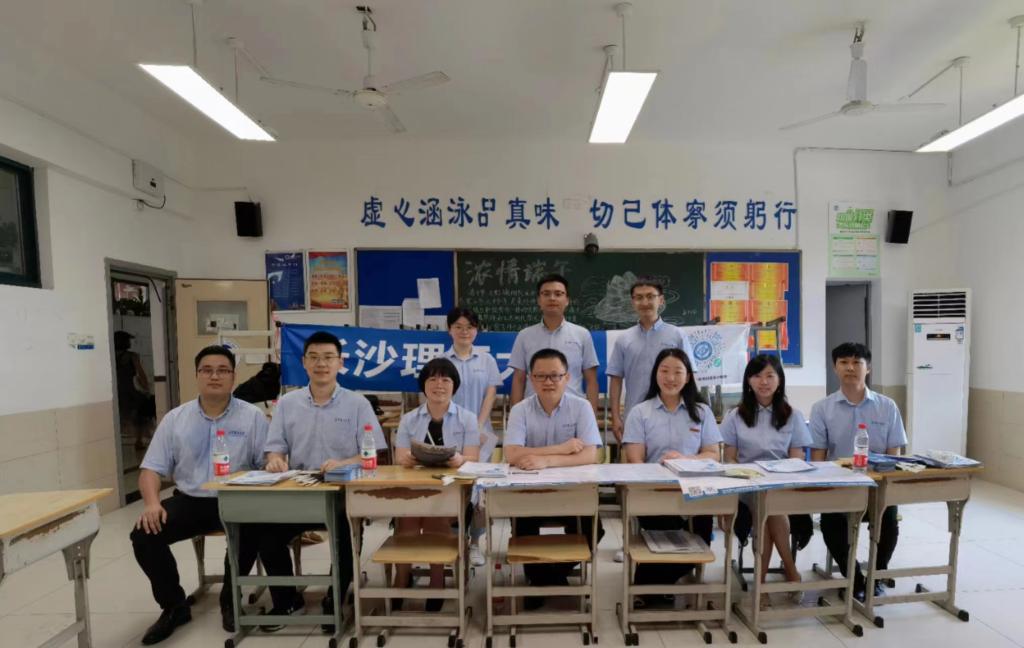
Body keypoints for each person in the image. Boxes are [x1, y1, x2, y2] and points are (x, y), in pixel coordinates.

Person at [130, 346, 278, 644]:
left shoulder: (252, 417)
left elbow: (268, 460)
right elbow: (150, 469)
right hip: (191, 499)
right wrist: (151, 503)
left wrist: (274, 461)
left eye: (223, 370)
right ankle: (174, 606)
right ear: (197, 375)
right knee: (144, 534)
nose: (215, 376)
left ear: (233, 377)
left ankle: (230, 599)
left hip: (236, 498)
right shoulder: (176, 419)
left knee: (252, 527)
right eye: (207, 370)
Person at [264, 330, 388, 632]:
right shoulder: (288, 403)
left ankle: (335, 597)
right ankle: (287, 600)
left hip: (342, 492)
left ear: (340, 363)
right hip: (299, 491)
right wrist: (275, 460)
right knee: (265, 534)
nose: (321, 364)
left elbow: (373, 455)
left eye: (329, 357)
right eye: (314, 357)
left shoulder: (357, 404)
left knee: (345, 534)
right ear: (304, 362)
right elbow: (274, 447)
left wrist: (344, 463)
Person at [504, 348, 604, 608]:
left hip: (572, 492)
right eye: (541, 376)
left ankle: (546, 579)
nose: (548, 382)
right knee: (523, 529)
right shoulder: (520, 410)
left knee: (594, 529)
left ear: (567, 377)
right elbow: (512, 454)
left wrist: (546, 460)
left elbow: (590, 454)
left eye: (555, 375)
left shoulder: (581, 407)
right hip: (530, 492)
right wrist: (562, 448)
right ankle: (544, 579)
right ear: (531, 379)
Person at [810, 342, 907, 602]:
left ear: (868, 368)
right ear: (835, 368)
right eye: (844, 362)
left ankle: (876, 575)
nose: (850, 368)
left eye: (857, 362)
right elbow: (818, 459)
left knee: (888, 520)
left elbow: (894, 456)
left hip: (877, 486)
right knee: (831, 523)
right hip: (839, 487)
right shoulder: (822, 408)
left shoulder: (887, 406)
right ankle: (854, 577)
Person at [622, 348, 720, 608]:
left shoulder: (701, 412)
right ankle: (655, 586)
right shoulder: (640, 412)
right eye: (664, 371)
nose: (671, 378)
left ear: (688, 377)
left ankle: (647, 585)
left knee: (700, 542)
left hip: (696, 493)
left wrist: (685, 460)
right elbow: (635, 461)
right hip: (654, 493)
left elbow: (713, 454)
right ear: (655, 374)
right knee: (664, 532)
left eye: (678, 372)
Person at [720, 354, 812, 604]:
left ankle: (761, 585)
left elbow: (796, 460)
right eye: (757, 376)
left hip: (783, 486)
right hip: (747, 487)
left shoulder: (792, 415)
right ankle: (791, 573)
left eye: (770, 375)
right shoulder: (735, 416)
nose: (764, 381)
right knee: (767, 507)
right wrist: (745, 473)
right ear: (748, 381)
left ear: (779, 380)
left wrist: (777, 477)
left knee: (770, 507)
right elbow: (729, 458)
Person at [392, 358, 480, 611]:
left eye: (445, 379)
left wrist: (461, 460)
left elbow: (474, 458)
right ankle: (402, 576)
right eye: (432, 379)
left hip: (452, 492)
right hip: (413, 491)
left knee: (436, 515)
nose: (439, 384)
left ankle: (437, 579)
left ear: (454, 386)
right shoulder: (409, 419)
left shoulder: (467, 419)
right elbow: (399, 457)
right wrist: (407, 459)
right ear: (424, 385)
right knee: (407, 519)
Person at [444, 307, 503, 566]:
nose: (464, 331)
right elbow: (438, 397)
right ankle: (456, 542)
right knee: (454, 490)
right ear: (449, 330)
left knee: (478, 492)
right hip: (449, 435)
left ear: (476, 331)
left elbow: (491, 395)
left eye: (469, 327)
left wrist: (476, 428)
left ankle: (476, 543)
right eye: (458, 326)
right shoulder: (442, 362)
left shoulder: (487, 361)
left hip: (481, 435)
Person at [608, 279, 694, 446]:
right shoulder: (624, 339)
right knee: (635, 459)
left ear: (661, 300)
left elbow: (689, 376)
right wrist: (616, 417)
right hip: (634, 416)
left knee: (671, 457)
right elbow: (616, 379)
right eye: (639, 297)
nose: (645, 302)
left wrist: (691, 410)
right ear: (632, 302)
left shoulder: (677, 335)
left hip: (673, 414)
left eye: (650, 296)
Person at [509, 274, 599, 413]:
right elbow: (518, 380)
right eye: (546, 294)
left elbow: (591, 380)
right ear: (539, 300)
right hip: (533, 412)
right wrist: (515, 415)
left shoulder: (582, 334)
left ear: (567, 300)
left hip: (573, 411)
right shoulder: (524, 335)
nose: (552, 298)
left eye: (558, 294)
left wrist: (591, 417)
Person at [115, 330, 153, 450]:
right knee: (142, 413)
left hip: (116, 391)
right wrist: (146, 388)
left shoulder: (110, 356)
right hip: (130, 390)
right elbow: (140, 374)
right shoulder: (132, 356)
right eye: (128, 340)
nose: (130, 342)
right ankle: (139, 440)